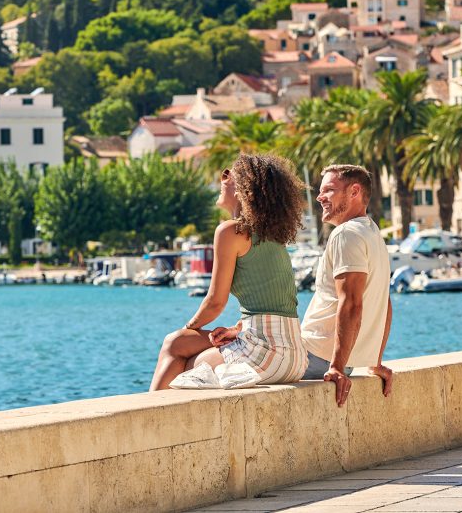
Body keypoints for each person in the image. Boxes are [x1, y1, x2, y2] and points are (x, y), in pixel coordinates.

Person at [149, 154, 308, 390]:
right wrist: (238, 329)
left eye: (227, 174)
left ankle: (152, 408)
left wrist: (187, 329)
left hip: (266, 355)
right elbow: (275, 303)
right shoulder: (273, 237)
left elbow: (215, 302)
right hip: (294, 358)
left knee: (179, 351)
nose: (222, 180)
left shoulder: (231, 231)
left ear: (245, 188)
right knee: (182, 348)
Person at [300, 164, 393, 407]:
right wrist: (375, 361)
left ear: (354, 192)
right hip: (332, 358)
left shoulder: (346, 234)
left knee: (212, 358)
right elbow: (384, 303)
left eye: (329, 190)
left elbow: (351, 303)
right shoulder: (372, 233)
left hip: (315, 357)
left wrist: (337, 368)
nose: (320, 197)